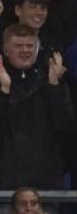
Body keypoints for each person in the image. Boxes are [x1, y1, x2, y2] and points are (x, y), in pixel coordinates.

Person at [0, 24, 72, 189]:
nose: (25, 50)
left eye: (30, 45)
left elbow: (64, 124)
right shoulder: (2, 82)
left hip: (45, 183)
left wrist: (54, 85)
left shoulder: (51, 80)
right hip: (5, 184)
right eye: (18, 46)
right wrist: (4, 90)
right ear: (6, 50)